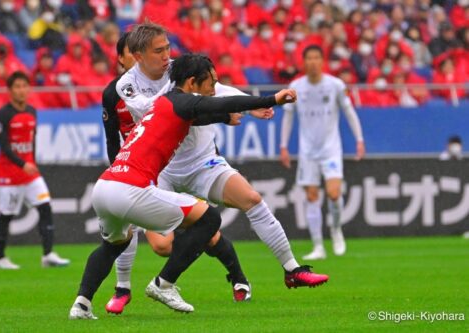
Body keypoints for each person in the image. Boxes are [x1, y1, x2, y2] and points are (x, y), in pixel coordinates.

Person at [105, 23, 330, 315]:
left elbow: (216, 88)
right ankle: (127, 287)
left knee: (251, 200)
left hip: (201, 162)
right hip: (162, 169)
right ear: (138, 56)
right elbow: (159, 111)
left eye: (168, 49)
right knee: (162, 245)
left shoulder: (179, 69)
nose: (166, 56)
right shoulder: (126, 86)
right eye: (159, 50)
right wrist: (220, 112)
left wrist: (249, 107)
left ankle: (292, 269)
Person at [280, 45, 366, 260]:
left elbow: (349, 111)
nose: (313, 62)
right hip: (308, 151)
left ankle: (336, 230)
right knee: (311, 196)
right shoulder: (296, 86)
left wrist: (359, 139)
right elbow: (288, 117)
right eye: (309, 58)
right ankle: (318, 246)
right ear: (303, 62)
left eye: (317, 57)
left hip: (331, 150)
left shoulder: (335, 85)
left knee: (334, 194)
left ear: (322, 60)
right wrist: (283, 146)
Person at [0, 71, 70, 269]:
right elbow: (4, 146)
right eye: (17, 87)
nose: (21, 90)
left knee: (45, 207)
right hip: (9, 175)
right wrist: (22, 164)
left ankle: (48, 255)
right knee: (6, 215)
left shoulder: (32, 111)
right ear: (10, 91)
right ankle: (0, 258)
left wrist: (32, 163)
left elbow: (32, 140)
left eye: (24, 86)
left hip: (30, 174)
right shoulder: (3, 114)